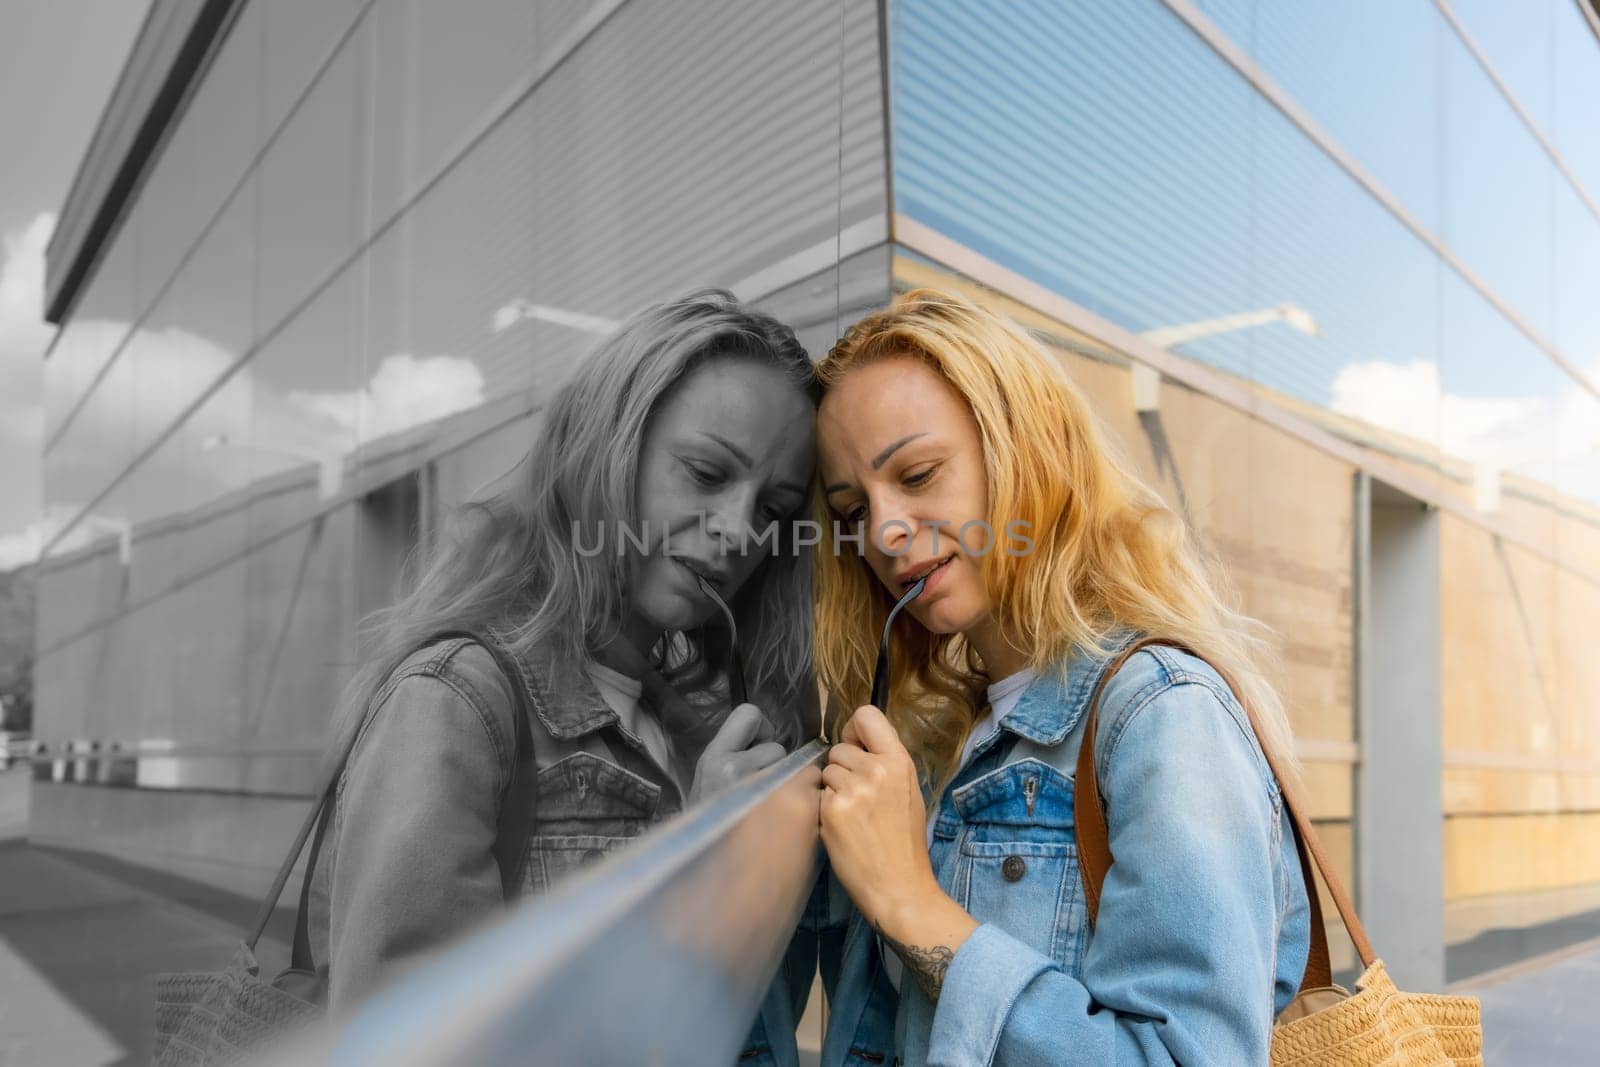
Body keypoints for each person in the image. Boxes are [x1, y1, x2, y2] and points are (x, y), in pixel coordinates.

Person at [807, 289, 1313, 1065]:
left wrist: (911, 901)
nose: (883, 531)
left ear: (1027, 447)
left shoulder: (1163, 715)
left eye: (917, 472)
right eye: (851, 509)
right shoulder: (951, 737)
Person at [304, 289, 821, 1013]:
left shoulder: (693, 730)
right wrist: (697, 877)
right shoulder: (454, 703)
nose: (741, 530)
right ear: (608, 447)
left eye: (774, 509)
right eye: (706, 473)